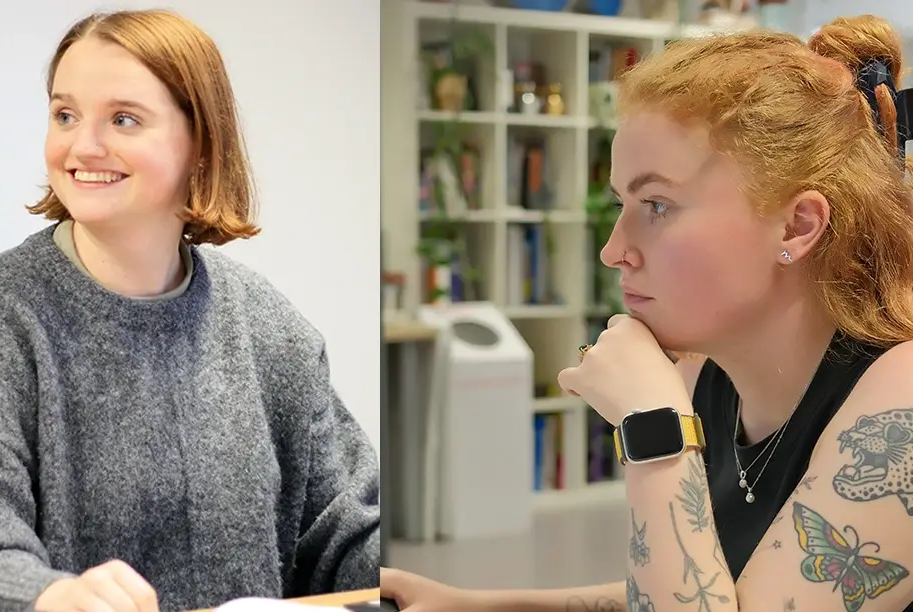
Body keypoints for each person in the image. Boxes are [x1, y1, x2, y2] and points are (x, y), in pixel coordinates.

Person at [383, 15, 913, 612]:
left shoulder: (901, 405)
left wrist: (653, 423)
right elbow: (712, 592)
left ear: (797, 225)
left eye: (656, 204)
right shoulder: (707, 375)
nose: (613, 250)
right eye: (622, 203)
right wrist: (480, 606)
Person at [0, 9, 380, 612]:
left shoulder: (267, 327)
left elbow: (351, 532)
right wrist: (52, 598)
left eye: (123, 119)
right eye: (64, 114)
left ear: (200, 143)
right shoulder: (0, 314)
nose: (83, 145)